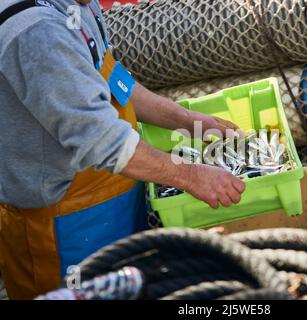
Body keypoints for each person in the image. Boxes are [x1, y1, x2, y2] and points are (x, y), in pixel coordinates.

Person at [0, 0, 245, 299]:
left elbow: (114, 80)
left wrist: (190, 121)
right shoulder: (36, 31)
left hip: (119, 198)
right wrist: (193, 176)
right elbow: (101, 139)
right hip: (63, 228)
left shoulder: (77, 6)